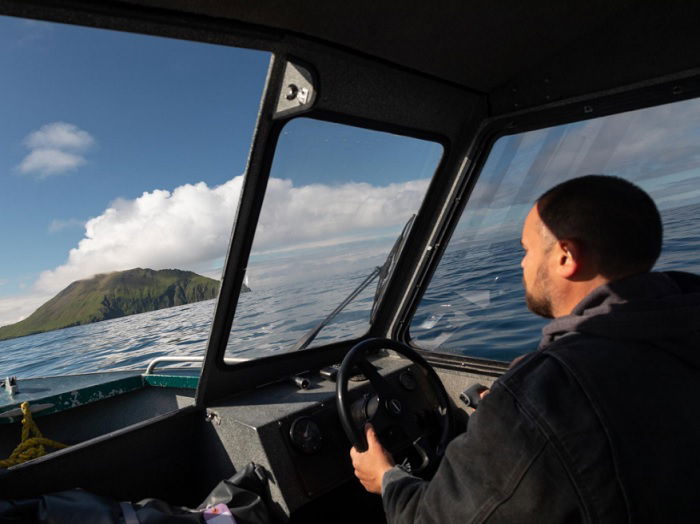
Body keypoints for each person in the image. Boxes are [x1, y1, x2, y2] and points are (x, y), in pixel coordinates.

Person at [350, 175, 700, 522]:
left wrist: (387, 478)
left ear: (565, 256)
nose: (521, 263)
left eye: (526, 249)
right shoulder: (677, 328)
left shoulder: (547, 395)